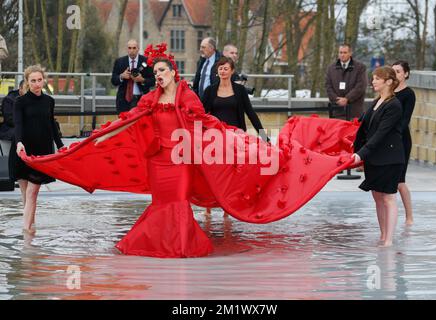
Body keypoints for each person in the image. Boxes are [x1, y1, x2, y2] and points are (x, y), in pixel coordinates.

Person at [21, 43, 360, 258]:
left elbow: (205, 122)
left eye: (162, 71)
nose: (158, 76)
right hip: (159, 161)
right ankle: (156, 245)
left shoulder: (187, 96)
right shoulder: (151, 99)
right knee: (162, 203)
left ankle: (181, 245)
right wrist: (95, 139)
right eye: (155, 73)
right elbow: (128, 120)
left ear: (173, 73)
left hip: (180, 159)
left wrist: (241, 142)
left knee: (179, 201)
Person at [353, 66, 404, 247]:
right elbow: (364, 128)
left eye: (377, 78)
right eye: (373, 78)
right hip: (375, 158)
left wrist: (361, 154)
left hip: (390, 158)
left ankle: (389, 239)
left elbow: (381, 134)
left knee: (388, 197)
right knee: (377, 197)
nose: (373, 81)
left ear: (388, 82)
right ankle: (383, 235)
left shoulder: (394, 105)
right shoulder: (376, 101)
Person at [11, 65, 64, 234]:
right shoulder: (20, 102)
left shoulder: (49, 101)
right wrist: (19, 143)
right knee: (26, 194)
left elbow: (52, 125)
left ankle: (26, 233)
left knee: (32, 193)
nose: (36, 84)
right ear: (27, 82)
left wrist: (61, 146)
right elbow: (18, 124)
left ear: (44, 80)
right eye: (33, 80)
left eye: (39, 80)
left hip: (41, 152)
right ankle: (31, 227)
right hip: (22, 150)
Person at [201, 57, 268, 141]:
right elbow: (201, 114)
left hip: (237, 135)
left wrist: (264, 137)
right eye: (220, 68)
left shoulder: (240, 90)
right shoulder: (209, 90)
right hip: (215, 136)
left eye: (225, 69)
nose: (222, 71)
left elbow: (251, 114)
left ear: (232, 71)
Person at [392, 60, 416, 226]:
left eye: (398, 71)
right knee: (389, 181)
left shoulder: (409, 94)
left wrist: (394, 136)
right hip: (387, 139)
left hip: (401, 139)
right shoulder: (388, 92)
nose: (395, 74)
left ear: (406, 74)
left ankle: (409, 217)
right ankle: (391, 215)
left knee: (400, 182)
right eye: (393, 71)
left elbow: (405, 119)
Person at [111, 39, 156, 113]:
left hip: (141, 99)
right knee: (124, 123)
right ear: (127, 49)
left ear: (138, 49)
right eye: (129, 48)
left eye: (134, 48)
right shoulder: (119, 62)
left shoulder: (146, 61)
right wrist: (122, 76)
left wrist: (142, 80)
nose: (132, 50)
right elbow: (113, 80)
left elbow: (153, 81)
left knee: (140, 123)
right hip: (123, 100)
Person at [326, 44, 368, 119]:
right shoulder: (331, 68)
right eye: (340, 52)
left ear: (350, 53)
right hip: (337, 111)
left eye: (345, 52)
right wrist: (336, 99)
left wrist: (347, 98)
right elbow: (328, 86)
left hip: (354, 111)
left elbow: (361, 86)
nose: (342, 55)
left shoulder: (360, 67)